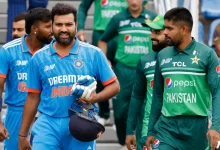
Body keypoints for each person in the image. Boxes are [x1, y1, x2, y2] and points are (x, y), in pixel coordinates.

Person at [18, 3, 120, 150]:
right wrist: (22, 135)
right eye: (59, 24)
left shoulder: (94, 53)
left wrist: (94, 98)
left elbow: (115, 86)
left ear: (76, 25)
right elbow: (32, 97)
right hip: (47, 125)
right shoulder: (38, 58)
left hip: (81, 122)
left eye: (68, 24)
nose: (64, 29)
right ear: (52, 26)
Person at [146, 7, 220, 150]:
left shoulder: (207, 55)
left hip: (196, 128)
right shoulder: (162, 55)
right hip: (167, 127)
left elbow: (217, 92)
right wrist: (150, 130)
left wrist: (216, 126)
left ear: (184, 29)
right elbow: (157, 95)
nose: (165, 32)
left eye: (169, 28)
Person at [98, 0, 157, 148]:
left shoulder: (153, 18)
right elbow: (102, 41)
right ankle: (123, 142)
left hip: (146, 70)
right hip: (123, 71)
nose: (134, 1)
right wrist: (105, 62)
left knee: (144, 112)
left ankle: (140, 143)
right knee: (119, 114)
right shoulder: (118, 18)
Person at [0, 8, 52, 150]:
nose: (52, 30)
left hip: (46, 115)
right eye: (48, 27)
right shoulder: (8, 50)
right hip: (17, 114)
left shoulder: (53, 50)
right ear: (34, 29)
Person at [77, 0, 128, 125]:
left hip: (123, 34)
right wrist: (81, 27)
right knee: (98, 74)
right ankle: (104, 113)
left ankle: (120, 117)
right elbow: (83, 7)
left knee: (123, 75)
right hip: (101, 34)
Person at [125, 15, 167, 150]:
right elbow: (137, 96)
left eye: (157, 32)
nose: (152, 36)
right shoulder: (145, 61)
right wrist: (130, 130)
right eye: (151, 31)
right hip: (149, 130)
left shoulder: (186, 61)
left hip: (177, 130)